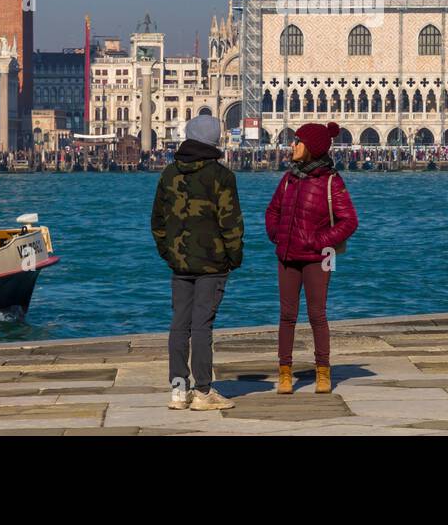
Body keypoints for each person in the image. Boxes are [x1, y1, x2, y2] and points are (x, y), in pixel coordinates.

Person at [150, 114, 243, 412]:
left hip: (179, 262)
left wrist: (169, 253)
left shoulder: (169, 173)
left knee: (179, 324)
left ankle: (178, 390)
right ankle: (203, 391)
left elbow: (158, 222)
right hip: (213, 263)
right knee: (202, 325)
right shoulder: (222, 176)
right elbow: (231, 223)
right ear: (214, 139)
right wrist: (234, 256)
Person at [266, 121, 358, 394]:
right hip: (287, 255)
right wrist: (278, 235)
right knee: (287, 316)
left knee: (317, 315)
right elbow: (272, 212)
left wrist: (319, 241)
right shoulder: (288, 179)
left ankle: (323, 372)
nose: (292, 145)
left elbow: (349, 221)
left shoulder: (331, 181)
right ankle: (284, 373)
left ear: (312, 148)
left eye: (297, 141)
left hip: (320, 257)